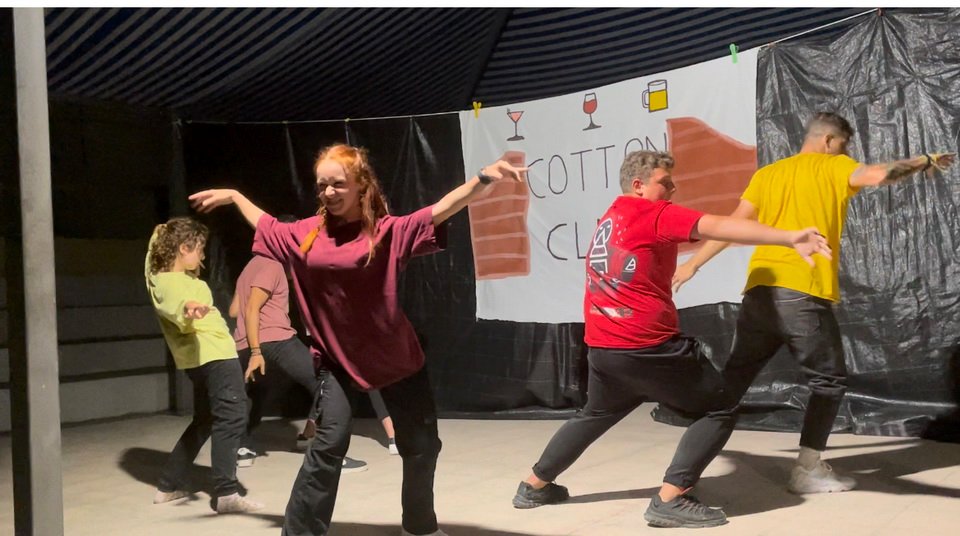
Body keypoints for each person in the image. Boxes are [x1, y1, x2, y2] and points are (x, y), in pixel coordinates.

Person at [189, 143, 524, 536]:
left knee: (421, 445)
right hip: (338, 362)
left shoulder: (386, 232)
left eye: (338, 184)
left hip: (397, 359)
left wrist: (482, 179)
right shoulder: (305, 235)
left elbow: (440, 210)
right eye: (322, 186)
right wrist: (234, 196)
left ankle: (419, 525)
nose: (328, 192)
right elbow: (267, 225)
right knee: (327, 446)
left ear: (361, 185)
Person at [512, 150, 832, 528]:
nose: (673, 188)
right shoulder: (653, 214)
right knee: (719, 408)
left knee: (596, 413)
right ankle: (671, 498)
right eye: (665, 182)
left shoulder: (611, 217)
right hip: (647, 348)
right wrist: (789, 236)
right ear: (639, 185)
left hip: (604, 348)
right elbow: (721, 226)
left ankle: (533, 485)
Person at [672, 112, 956, 494]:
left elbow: (732, 223)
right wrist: (924, 160)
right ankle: (807, 470)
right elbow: (878, 174)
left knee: (732, 384)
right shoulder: (833, 166)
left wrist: (692, 264)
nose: (846, 152)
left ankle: (682, 474)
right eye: (844, 145)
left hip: (759, 293)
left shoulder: (768, 174)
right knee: (828, 381)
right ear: (829, 141)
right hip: (801, 292)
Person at [145, 217, 264, 514]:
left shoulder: (161, 277)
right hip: (214, 355)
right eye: (198, 248)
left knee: (205, 420)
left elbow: (158, 259)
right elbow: (179, 304)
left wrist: (167, 232)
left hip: (198, 359)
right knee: (233, 415)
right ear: (182, 247)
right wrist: (189, 309)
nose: (202, 255)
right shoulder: (173, 283)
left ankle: (167, 485)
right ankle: (226, 493)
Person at [228, 230, 368, 473]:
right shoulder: (272, 265)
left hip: (243, 342)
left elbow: (233, 310)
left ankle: (242, 448)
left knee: (255, 393)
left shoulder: (251, 266)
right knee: (327, 384)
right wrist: (257, 350)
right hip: (274, 339)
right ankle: (330, 457)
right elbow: (251, 309)